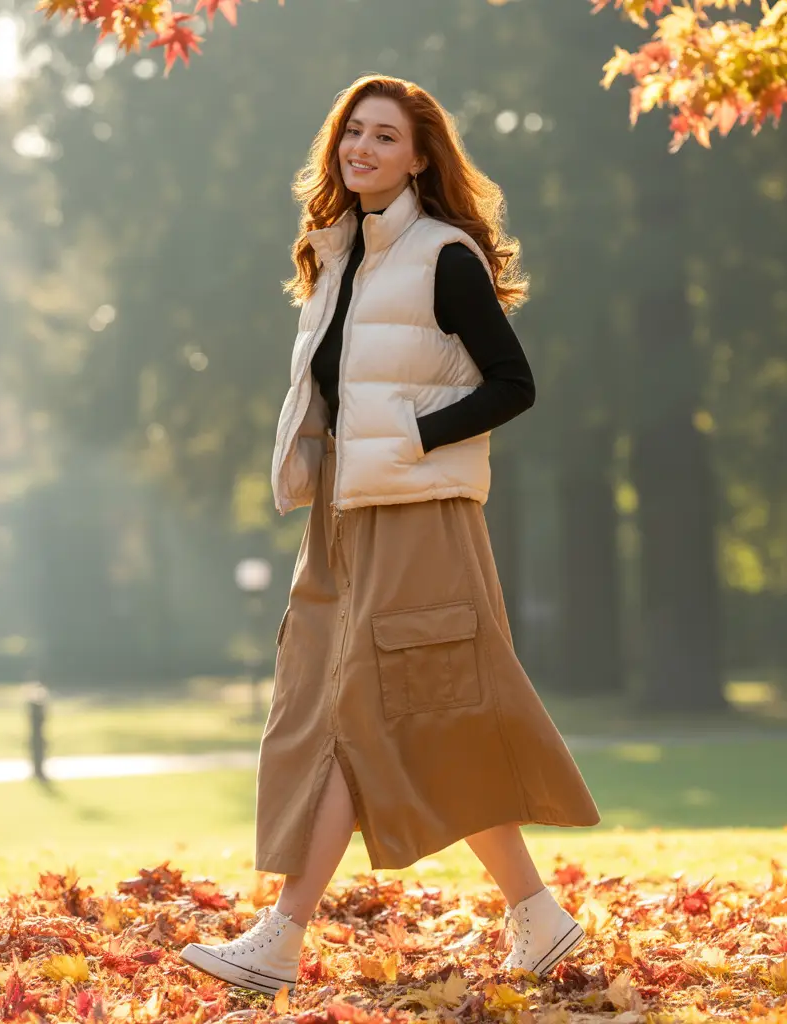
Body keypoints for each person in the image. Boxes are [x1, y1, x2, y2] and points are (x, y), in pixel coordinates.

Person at [180, 73, 599, 997]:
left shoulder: (444, 257)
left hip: (416, 518)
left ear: (419, 156)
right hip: (342, 519)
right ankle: (539, 913)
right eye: (351, 135)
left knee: (360, 716)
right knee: (382, 713)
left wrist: (411, 437)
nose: (361, 150)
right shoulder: (338, 258)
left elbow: (512, 383)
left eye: (383, 137)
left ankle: (281, 938)